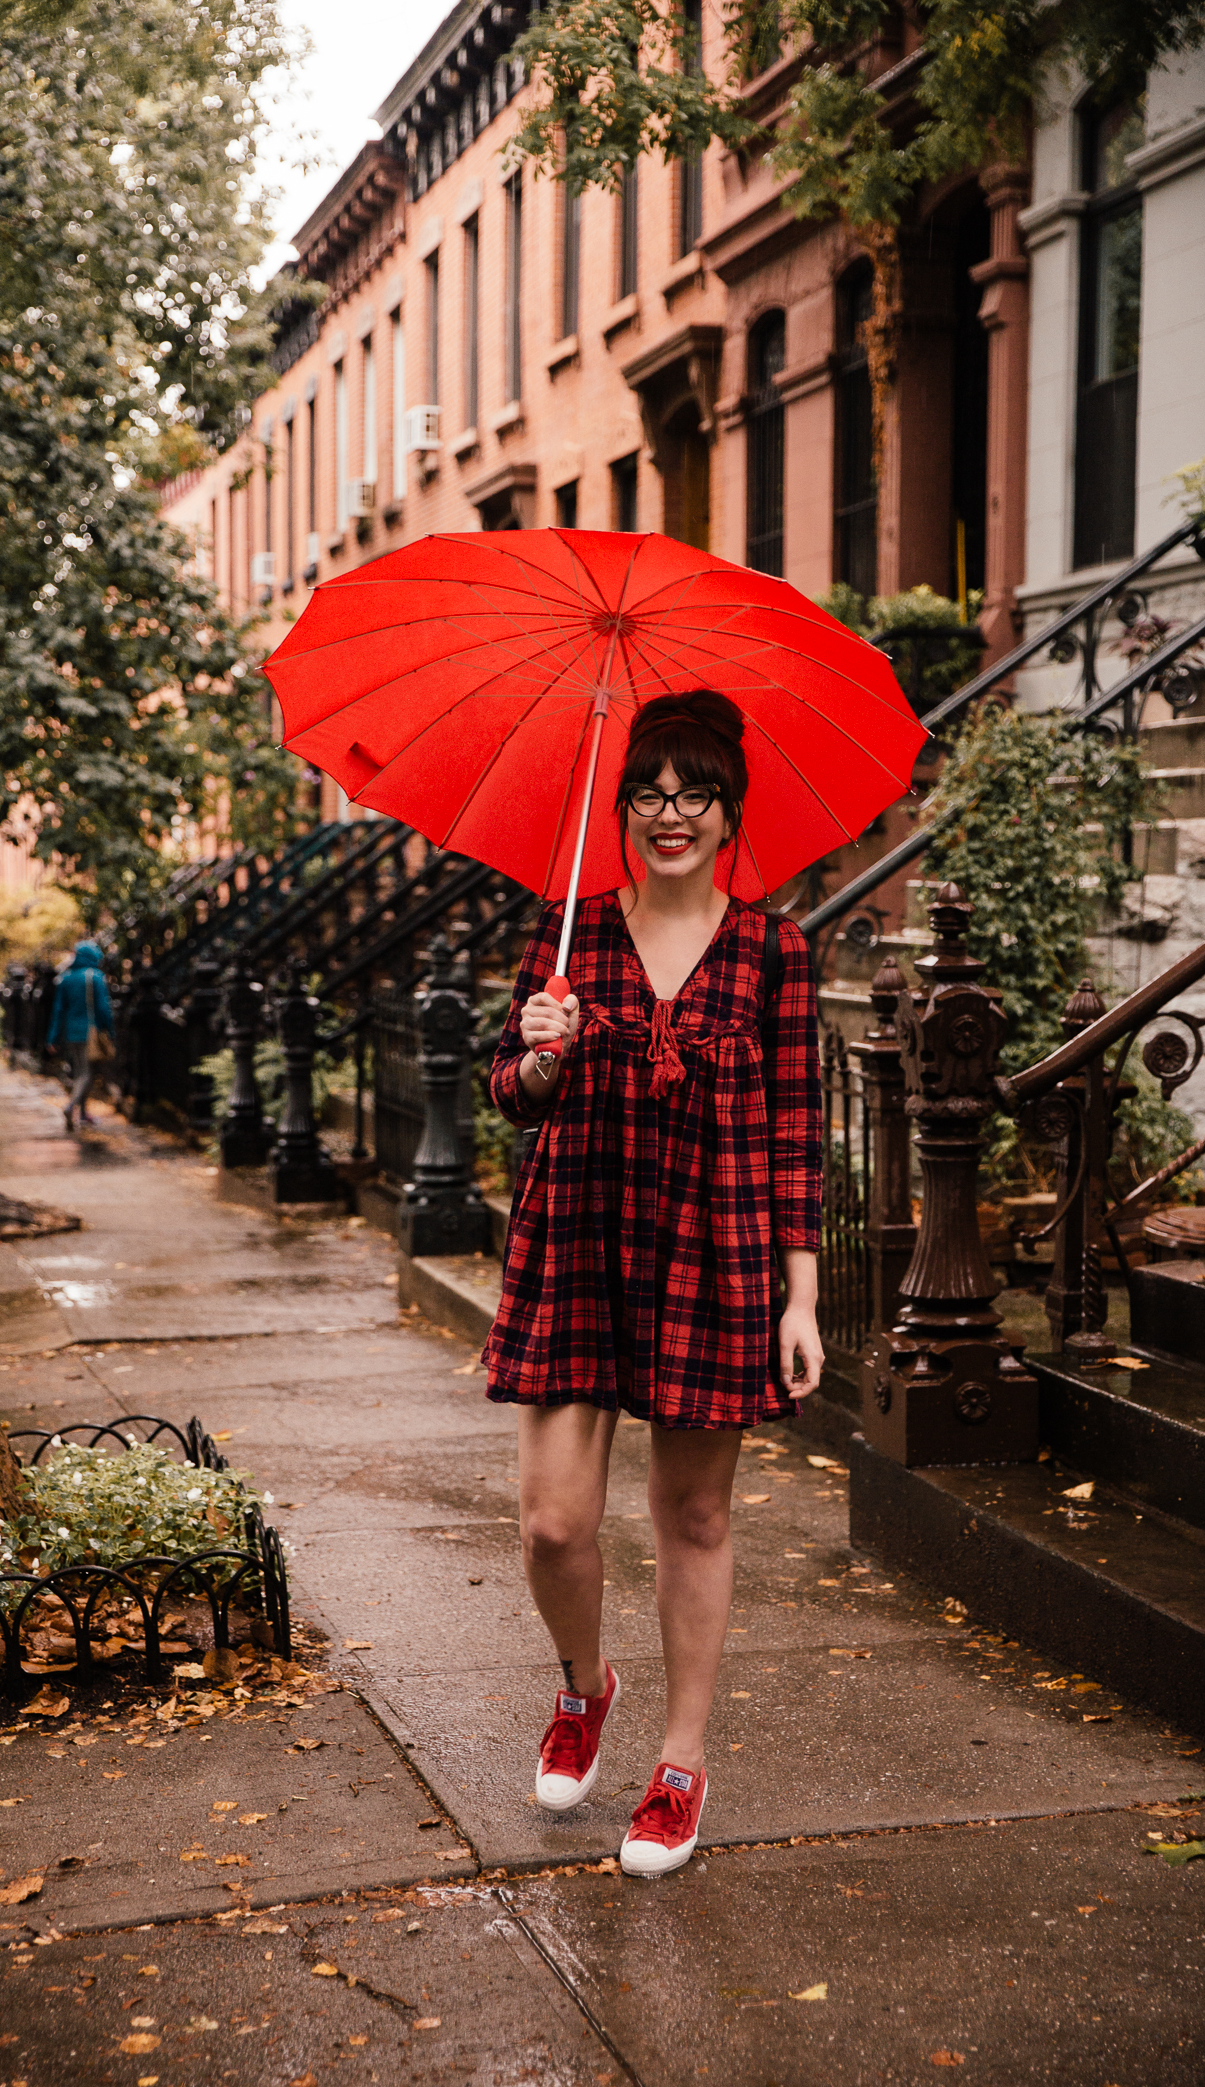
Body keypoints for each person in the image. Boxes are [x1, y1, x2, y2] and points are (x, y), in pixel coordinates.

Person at [482, 689, 824, 1879]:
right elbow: (513, 1100)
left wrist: (801, 1296)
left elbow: (793, 1129)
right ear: (619, 809)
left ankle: (677, 1765)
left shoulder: (774, 950)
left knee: (693, 1518)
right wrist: (538, 1052)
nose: (669, 813)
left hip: (711, 1249)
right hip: (578, 1241)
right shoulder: (569, 931)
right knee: (550, 1523)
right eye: (648, 794)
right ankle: (586, 1687)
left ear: (729, 814)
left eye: (694, 794)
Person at [45, 940, 115, 1131]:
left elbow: (58, 1011)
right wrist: (110, 1030)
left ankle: (83, 1114)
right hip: (90, 1033)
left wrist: (52, 1038)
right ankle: (71, 1107)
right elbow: (103, 1008)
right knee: (86, 1074)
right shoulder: (96, 977)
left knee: (79, 1072)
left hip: (71, 1033)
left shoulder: (66, 978)